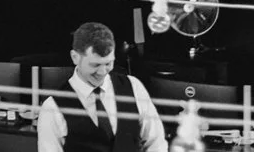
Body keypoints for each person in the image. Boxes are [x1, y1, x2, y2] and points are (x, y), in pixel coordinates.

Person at [37, 23, 168, 152]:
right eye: (95, 65)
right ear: (75, 57)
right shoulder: (52, 108)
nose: (102, 72)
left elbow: (156, 143)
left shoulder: (133, 87)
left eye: (108, 63)